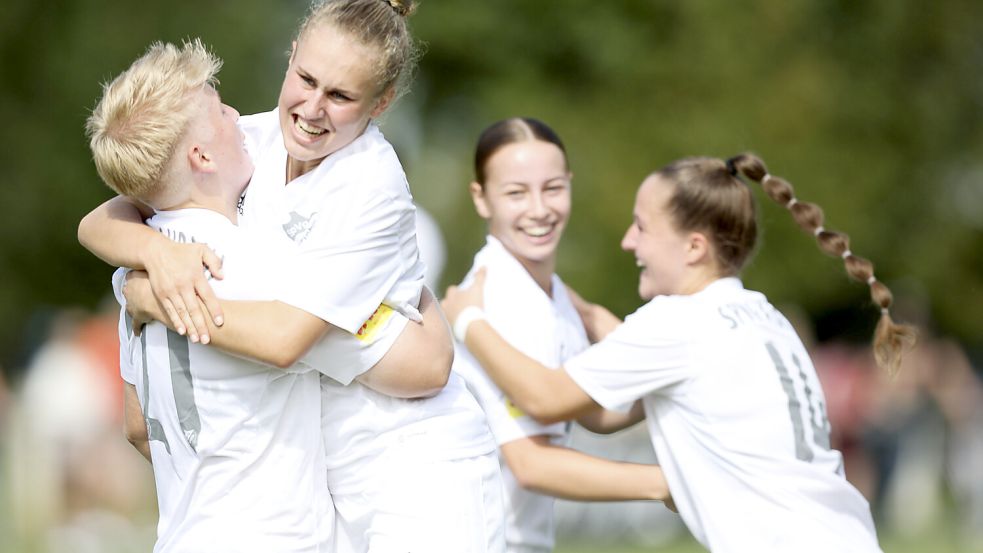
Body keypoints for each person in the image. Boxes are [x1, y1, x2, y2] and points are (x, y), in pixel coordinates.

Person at [79, 2, 504, 551]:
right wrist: (153, 257)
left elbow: (411, 363)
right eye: (305, 79)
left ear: (381, 103)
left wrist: (146, 295)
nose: (313, 108)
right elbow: (109, 213)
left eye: (341, 96)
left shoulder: (370, 187)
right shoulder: (250, 141)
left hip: (415, 464)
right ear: (291, 56)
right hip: (325, 487)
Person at [443, 153, 917, 553]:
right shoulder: (763, 316)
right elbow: (606, 411)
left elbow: (547, 398)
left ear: (693, 247)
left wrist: (468, 318)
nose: (629, 241)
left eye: (642, 226)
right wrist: (578, 312)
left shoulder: (676, 324)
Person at [452, 117, 671, 553]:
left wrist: (669, 387)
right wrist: (669, 484)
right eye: (516, 192)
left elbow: (589, 413)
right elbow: (533, 464)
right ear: (482, 199)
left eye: (552, 188)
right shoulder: (502, 298)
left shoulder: (551, 295)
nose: (539, 209)